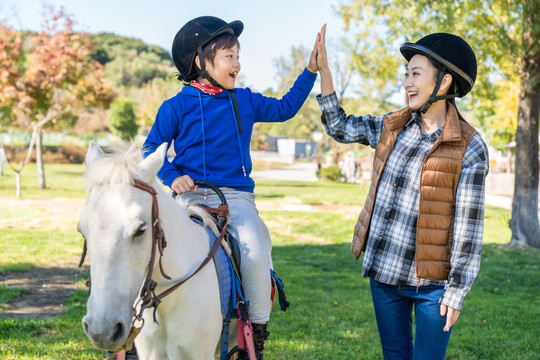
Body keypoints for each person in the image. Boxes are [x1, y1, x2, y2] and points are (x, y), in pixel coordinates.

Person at [143, 16, 318, 359]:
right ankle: (140, 322)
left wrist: (310, 72)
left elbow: (285, 108)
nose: (238, 64)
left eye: (238, 56)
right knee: (153, 244)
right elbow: (151, 149)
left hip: (235, 198)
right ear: (201, 62)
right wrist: (172, 174)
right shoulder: (175, 107)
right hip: (190, 196)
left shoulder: (245, 101)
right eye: (230, 56)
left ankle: (255, 330)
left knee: (255, 248)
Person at [314, 25, 489, 359]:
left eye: (416, 74)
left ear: (444, 81)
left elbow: (469, 229)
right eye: (406, 74)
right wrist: (325, 72)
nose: (407, 82)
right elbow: (339, 125)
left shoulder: (470, 146)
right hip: (385, 273)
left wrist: (456, 292)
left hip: (432, 287)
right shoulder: (392, 127)